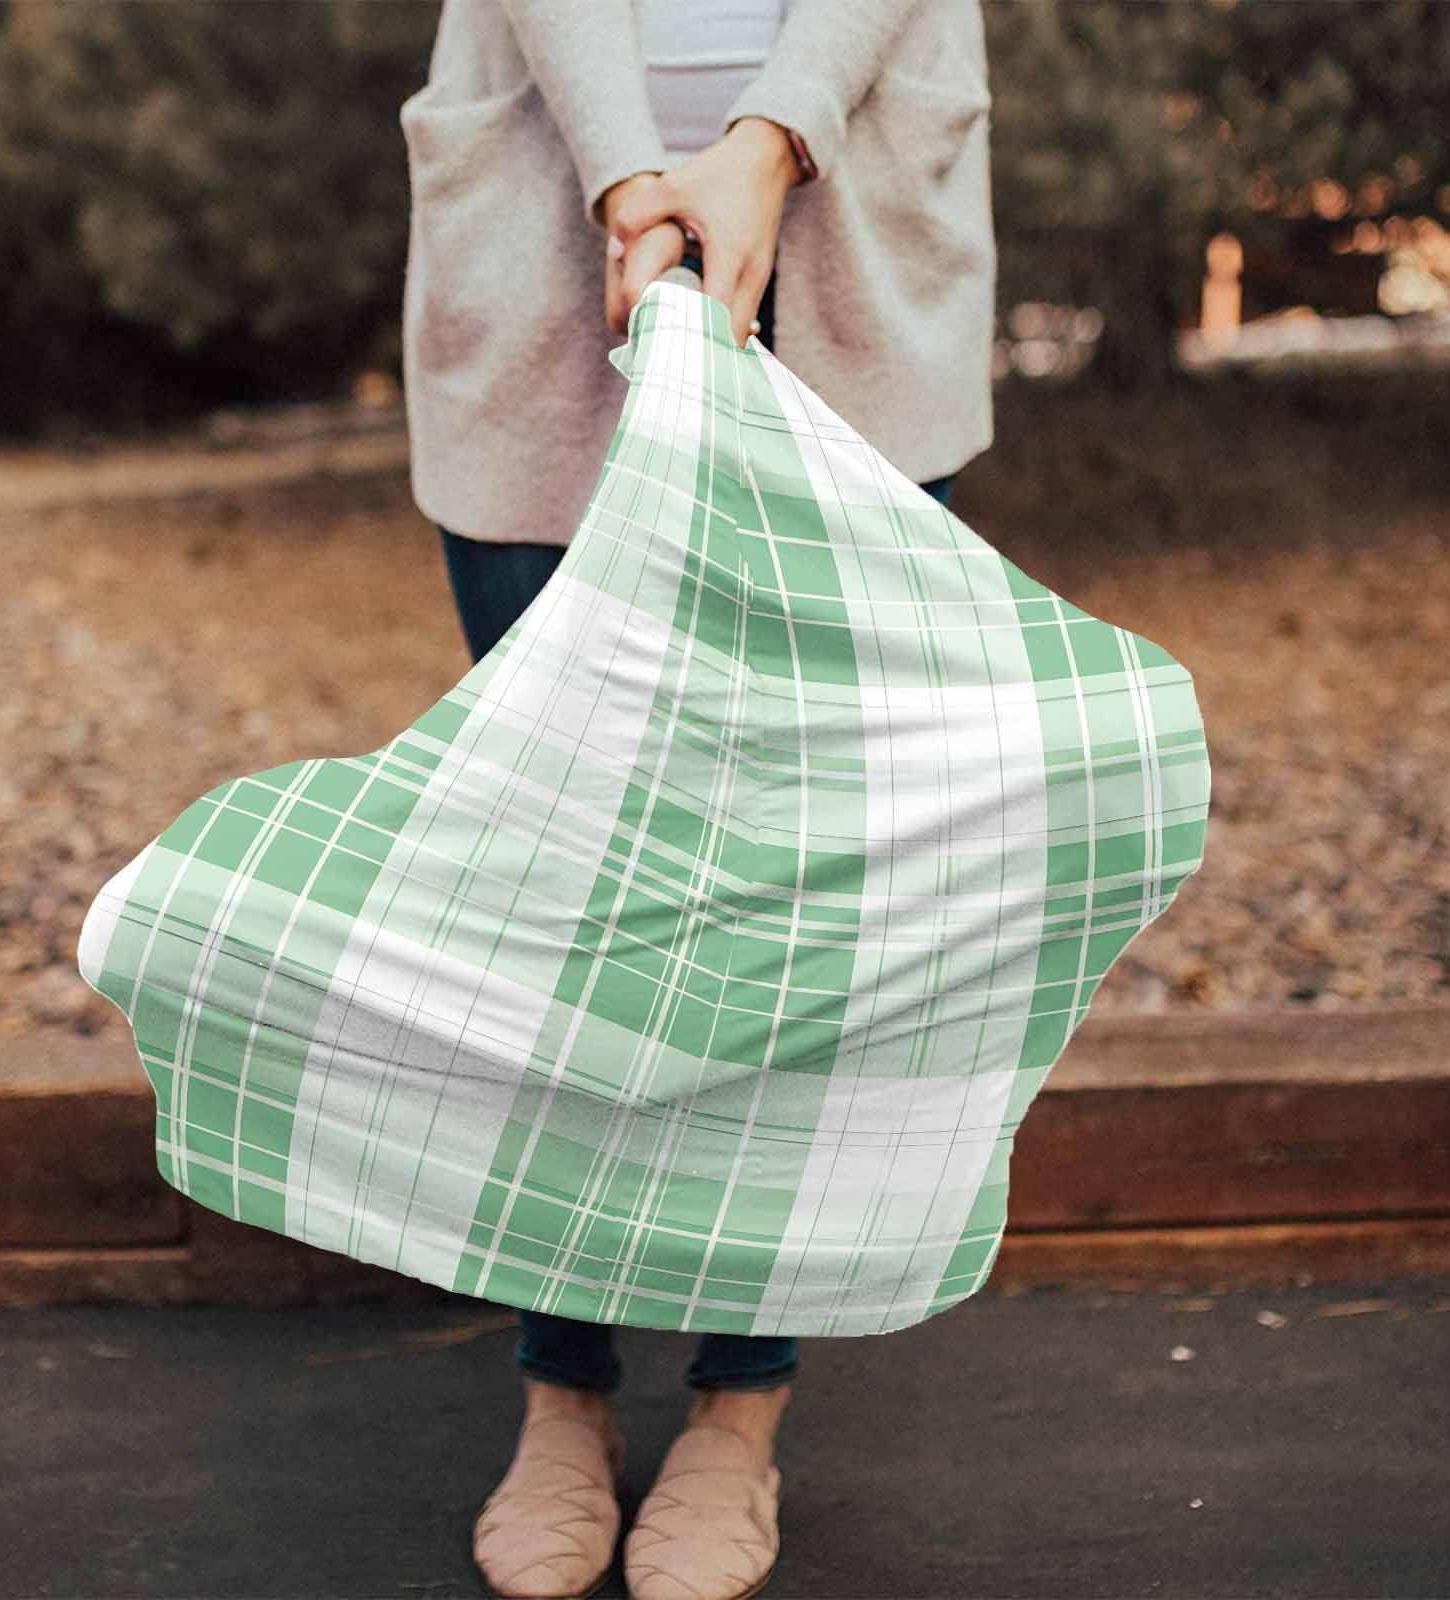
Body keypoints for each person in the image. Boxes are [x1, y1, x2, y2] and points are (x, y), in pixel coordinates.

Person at [397, 4, 995, 1597]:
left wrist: (771, 141)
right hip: (544, 221)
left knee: (791, 891)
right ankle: (563, 1386)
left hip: (855, 228)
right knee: (561, 878)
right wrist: (627, 180)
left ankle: (741, 1404)